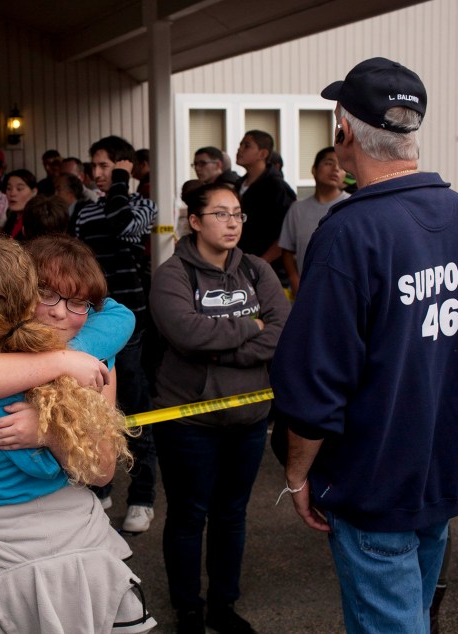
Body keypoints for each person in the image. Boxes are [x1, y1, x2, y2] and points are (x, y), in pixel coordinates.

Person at [271, 57, 458, 633]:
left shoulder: (350, 231)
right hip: (444, 469)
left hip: (375, 482)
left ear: (344, 132)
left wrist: (298, 477)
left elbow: (315, 382)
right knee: (414, 615)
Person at [0, 235, 155, 632]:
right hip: (35, 544)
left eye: (78, 303)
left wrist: (48, 430)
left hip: (31, 539)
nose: (62, 313)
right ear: (24, 293)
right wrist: (62, 365)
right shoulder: (84, 363)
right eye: (48, 295)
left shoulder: (84, 358)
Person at [150, 184, 290, 634]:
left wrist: (222, 348)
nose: (232, 223)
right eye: (220, 214)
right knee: (189, 515)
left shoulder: (257, 270)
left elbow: (281, 331)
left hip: (248, 419)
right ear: (194, 221)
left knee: (232, 514)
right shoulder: (172, 275)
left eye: (238, 214)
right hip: (189, 419)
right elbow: (186, 335)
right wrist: (249, 327)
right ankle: (187, 608)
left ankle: (223, 606)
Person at [72, 135, 158, 533]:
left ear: (123, 167)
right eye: (95, 167)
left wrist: (122, 185)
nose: (98, 174)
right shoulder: (84, 212)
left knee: (135, 409)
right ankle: (99, 483)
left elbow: (124, 227)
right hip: (90, 323)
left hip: (132, 324)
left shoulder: (142, 206)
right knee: (91, 408)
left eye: (106, 166)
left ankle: (141, 497)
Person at [279, 147, 349, 295]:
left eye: (341, 166)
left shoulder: (351, 205)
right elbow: (287, 250)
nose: (336, 169)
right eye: (329, 163)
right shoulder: (297, 209)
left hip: (343, 290)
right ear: (314, 170)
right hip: (306, 289)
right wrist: (294, 279)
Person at [234, 131, 295, 284]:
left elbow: (287, 233)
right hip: (239, 266)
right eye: (240, 145)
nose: (240, 149)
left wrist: (262, 262)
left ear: (262, 153)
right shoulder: (238, 185)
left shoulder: (277, 188)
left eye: (246, 146)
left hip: (270, 272)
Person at [2, 169, 38, 239]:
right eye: (9, 188)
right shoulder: (11, 217)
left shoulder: (37, 220)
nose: (12, 194)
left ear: (34, 192)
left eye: (19, 189)